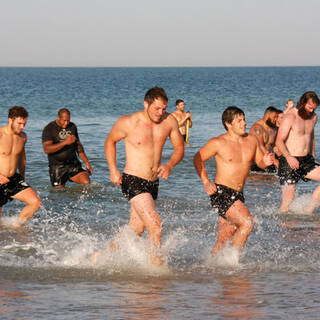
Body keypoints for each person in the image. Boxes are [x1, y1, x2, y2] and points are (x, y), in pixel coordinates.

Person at [105, 87, 184, 265]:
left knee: (136, 228)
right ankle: (155, 268)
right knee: (155, 225)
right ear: (146, 104)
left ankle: (103, 257)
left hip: (153, 182)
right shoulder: (129, 122)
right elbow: (110, 141)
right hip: (132, 179)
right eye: (156, 108)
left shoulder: (169, 121)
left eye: (163, 108)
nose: (160, 112)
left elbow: (179, 148)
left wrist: (169, 164)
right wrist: (113, 169)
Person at [194, 106, 274, 255]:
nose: (244, 123)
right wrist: (206, 182)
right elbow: (197, 159)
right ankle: (232, 261)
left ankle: (212, 265)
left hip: (238, 194)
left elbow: (259, 162)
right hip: (221, 192)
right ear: (228, 124)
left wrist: (266, 162)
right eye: (239, 120)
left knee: (224, 237)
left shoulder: (252, 141)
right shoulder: (218, 142)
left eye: (244, 119)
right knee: (247, 223)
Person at [275, 91, 320, 213]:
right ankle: (284, 226)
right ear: (302, 103)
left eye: (314, 108)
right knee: (288, 200)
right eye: (310, 107)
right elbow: (279, 141)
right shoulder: (290, 116)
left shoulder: (314, 117)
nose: (311, 111)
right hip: (289, 159)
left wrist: (313, 154)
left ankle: (308, 212)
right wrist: (289, 157)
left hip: (306, 160)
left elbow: (310, 135)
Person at [0, 106, 41, 228]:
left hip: (13, 178)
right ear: (10, 120)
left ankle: (15, 227)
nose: (22, 127)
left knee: (35, 202)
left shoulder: (23, 137)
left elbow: (22, 158)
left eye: (24, 124)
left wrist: (22, 177)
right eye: (19, 123)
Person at [42, 108, 93, 187]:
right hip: (57, 167)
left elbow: (78, 147)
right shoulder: (49, 128)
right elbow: (47, 149)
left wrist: (87, 163)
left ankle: (79, 199)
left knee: (87, 183)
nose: (66, 123)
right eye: (64, 120)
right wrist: (65, 142)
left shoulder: (72, 127)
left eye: (68, 121)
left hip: (73, 164)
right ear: (58, 118)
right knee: (59, 194)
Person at [249, 106, 279, 173]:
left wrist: (283, 158)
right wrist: (274, 160)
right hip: (257, 162)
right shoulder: (257, 128)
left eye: (277, 117)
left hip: (269, 160)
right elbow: (260, 146)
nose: (276, 119)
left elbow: (274, 146)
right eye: (274, 117)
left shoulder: (274, 128)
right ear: (267, 115)